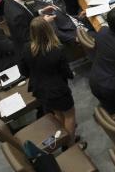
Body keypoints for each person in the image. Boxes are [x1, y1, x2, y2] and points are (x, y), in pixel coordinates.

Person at [20, 17, 80, 148]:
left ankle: (62, 139)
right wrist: (71, 74)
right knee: (69, 116)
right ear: (48, 30)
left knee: (58, 114)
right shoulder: (57, 50)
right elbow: (66, 72)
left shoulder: (26, 48)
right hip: (58, 91)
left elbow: (23, 71)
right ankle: (70, 144)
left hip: (40, 90)